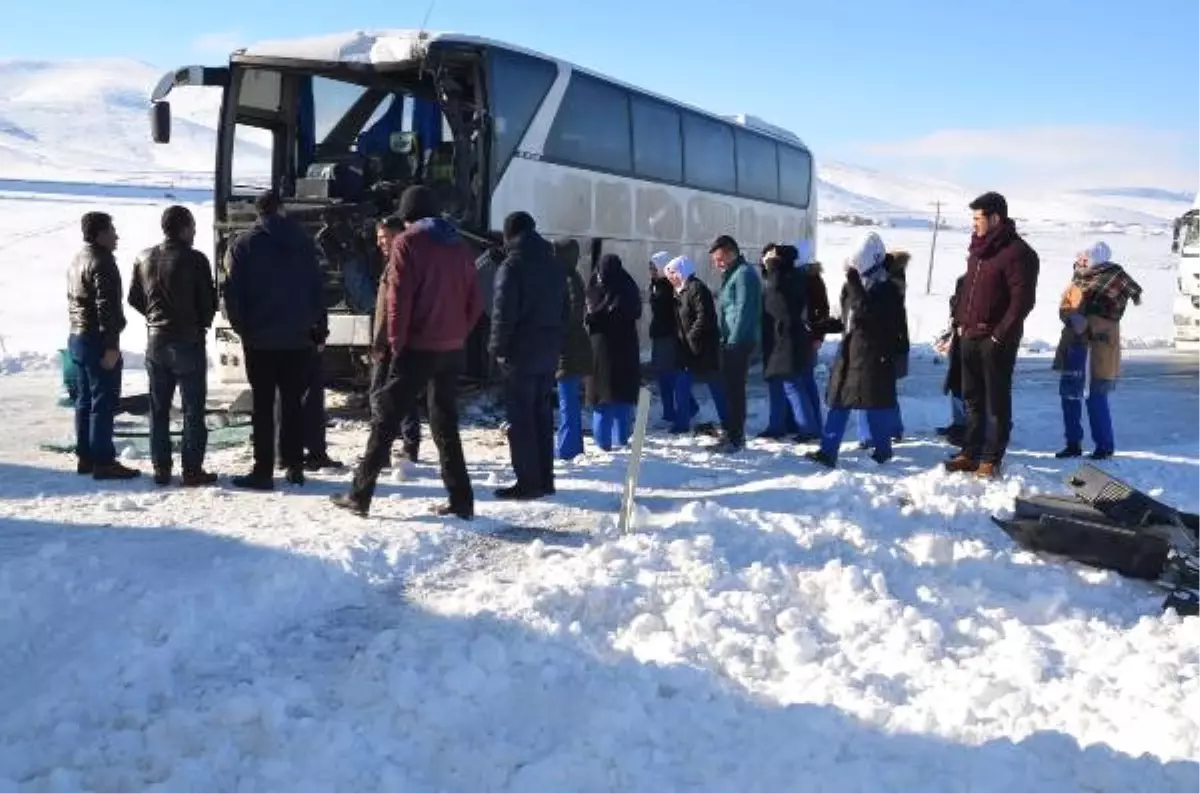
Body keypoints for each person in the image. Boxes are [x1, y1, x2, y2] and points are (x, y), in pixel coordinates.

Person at [331, 186, 481, 518]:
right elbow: (475, 301)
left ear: (408, 215)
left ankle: (360, 494)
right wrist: (458, 333)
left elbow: (399, 302)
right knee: (445, 426)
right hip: (451, 349)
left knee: (385, 417)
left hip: (417, 347)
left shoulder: (408, 243)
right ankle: (462, 500)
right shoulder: (459, 245)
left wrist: (396, 346)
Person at [223, 190, 325, 490]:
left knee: (263, 407)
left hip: (260, 342)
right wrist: (316, 328)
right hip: (298, 340)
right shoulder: (305, 242)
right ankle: (295, 466)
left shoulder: (243, 245)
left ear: (258, 212)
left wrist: (244, 330)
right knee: (293, 403)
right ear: (281, 210)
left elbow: (232, 295)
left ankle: (263, 470)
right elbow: (317, 291)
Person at [946, 192, 1040, 479]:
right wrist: (960, 323)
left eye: (978, 218)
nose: (973, 224)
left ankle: (991, 457)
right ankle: (970, 452)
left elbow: (1021, 302)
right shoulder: (978, 250)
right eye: (972, 218)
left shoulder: (1019, 253)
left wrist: (999, 337)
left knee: (995, 402)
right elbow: (967, 292)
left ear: (995, 217)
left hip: (996, 341)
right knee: (972, 399)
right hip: (969, 336)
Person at [127, 205, 218, 486]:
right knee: (193, 409)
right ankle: (191, 469)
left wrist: (157, 318)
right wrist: (199, 322)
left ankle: (161, 468)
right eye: (192, 226)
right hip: (188, 342)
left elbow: (134, 298)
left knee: (159, 408)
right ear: (183, 228)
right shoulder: (195, 260)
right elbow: (208, 303)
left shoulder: (143, 258)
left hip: (155, 341)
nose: (195, 232)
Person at [805, 232, 908, 469]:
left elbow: (867, 312)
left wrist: (852, 280)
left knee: (875, 405)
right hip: (850, 353)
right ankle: (827, 451)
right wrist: (820, 326)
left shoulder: (888, 288)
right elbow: (847, 318)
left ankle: (883, 450)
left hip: (874, 355)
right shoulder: (852, 286)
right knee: (839, 402)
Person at [490, 211, 567, 500]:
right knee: (542, 416)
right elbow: (566, 311)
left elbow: (502, 314)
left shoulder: (512, 266)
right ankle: (545, 479)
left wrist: (497, 349)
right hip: (547, 352)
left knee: (520, 419)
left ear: (510, 234)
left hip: (520, 353)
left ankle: (528, 482)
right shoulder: (554, 264)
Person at [1052, 241, 1142, 460]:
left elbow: (1114, 311)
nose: (1081, 261)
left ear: (1097, 258)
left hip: (1099, 347)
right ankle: (1073, 443)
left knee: (1096, 397)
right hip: (1075, 344)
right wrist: (1072, 316)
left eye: (1086, 257)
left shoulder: (1114, 278)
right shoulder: (1077, 278)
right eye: (1080, 257)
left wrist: (1091, 321)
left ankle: (1104, 445)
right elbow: (1065, 305)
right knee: (1070, 396)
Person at [66, 211, 139, 480]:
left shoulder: (77, 259)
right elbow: (106, 306)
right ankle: (104, 461)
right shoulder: (102, 261)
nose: (116, 235)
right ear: (99, 234)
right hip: (97, 338)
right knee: (103, 401)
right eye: (111, 230)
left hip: (77, 336)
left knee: (84, 400)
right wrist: (111, 344)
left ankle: (85, 456)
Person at [370, 216, 422, 465]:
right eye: (378, 238)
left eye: (385, 237)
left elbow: (392, 309)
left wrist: (382, 341)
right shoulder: (397, 262)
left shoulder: (400, 264)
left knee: (381, 395)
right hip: (395, 338)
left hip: (393, 339)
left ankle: (381, 450)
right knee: (400, 394)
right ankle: (407, 444)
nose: (381, 243)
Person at [759, 244, 818, 440]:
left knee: (791, 384)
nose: (766, 261)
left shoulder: (786, 278)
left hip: (785, 338)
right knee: (775, 382)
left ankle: (807, 427)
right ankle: (776, 425)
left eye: (771, 258)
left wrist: (773, 265)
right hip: (776, 338)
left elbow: (777, 295)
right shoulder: (788, 276)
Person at [710, 234, 762, 452]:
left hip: (739, 341)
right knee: (731, 389)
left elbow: (743, 311)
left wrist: (733, 341)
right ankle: (732, 433)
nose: (717, 264)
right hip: (732, 340)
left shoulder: (743, 275)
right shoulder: (734, 273)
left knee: (735, 391)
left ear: (731, 252)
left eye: (719, 259)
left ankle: (735, 437)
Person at [585, 253, 642, 451]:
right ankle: (622, 440)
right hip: (625, 349)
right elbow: (635, 311)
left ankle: (603, 444)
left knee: (603, 399)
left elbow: (590, 317)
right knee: (622, 398)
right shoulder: (628, 286)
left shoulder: (593, 289)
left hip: (601, 349)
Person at [663, 255, 726, 434]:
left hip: (704, 348)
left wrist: (691, 336)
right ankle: (682, 423)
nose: (671, 277)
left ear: (683, 271)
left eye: (673, 272)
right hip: (686, 349)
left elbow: (703, 316)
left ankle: (729, 422)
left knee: (715, 386)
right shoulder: (680, 291)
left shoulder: (696, 288)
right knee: (681, 385)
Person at [858, 250, 910, 448]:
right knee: (888, 389)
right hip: (896, 342)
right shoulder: (897, 285)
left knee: (869, 390)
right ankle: (895, 428)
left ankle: (869, 435)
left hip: (881, 344)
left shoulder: (882, 286)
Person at [554, 238, 592, 460]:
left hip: (568, 349)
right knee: (569, 400)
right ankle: (573, 446)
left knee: (567, 400)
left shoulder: (566, 280)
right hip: (574, 346)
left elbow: (568, 316)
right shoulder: (572, 277)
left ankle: (568, 448)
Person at [796, 239, 830, 440]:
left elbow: (822, 310)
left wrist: (818, 335)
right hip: (802, 334)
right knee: (802, 378)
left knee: (806, 378)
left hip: (808, 335)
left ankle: (814, 423)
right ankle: (809, 422)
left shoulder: (813, 279)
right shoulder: (801, 276)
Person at [648, 250, 682, 424]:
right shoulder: (655, 284)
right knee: (662, 375)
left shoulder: (669, 286)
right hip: (659, 333)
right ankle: (668, 411)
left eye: (654, 268)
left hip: (668, 334)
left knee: (669, 374)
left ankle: (685, 406)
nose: (652, 271)